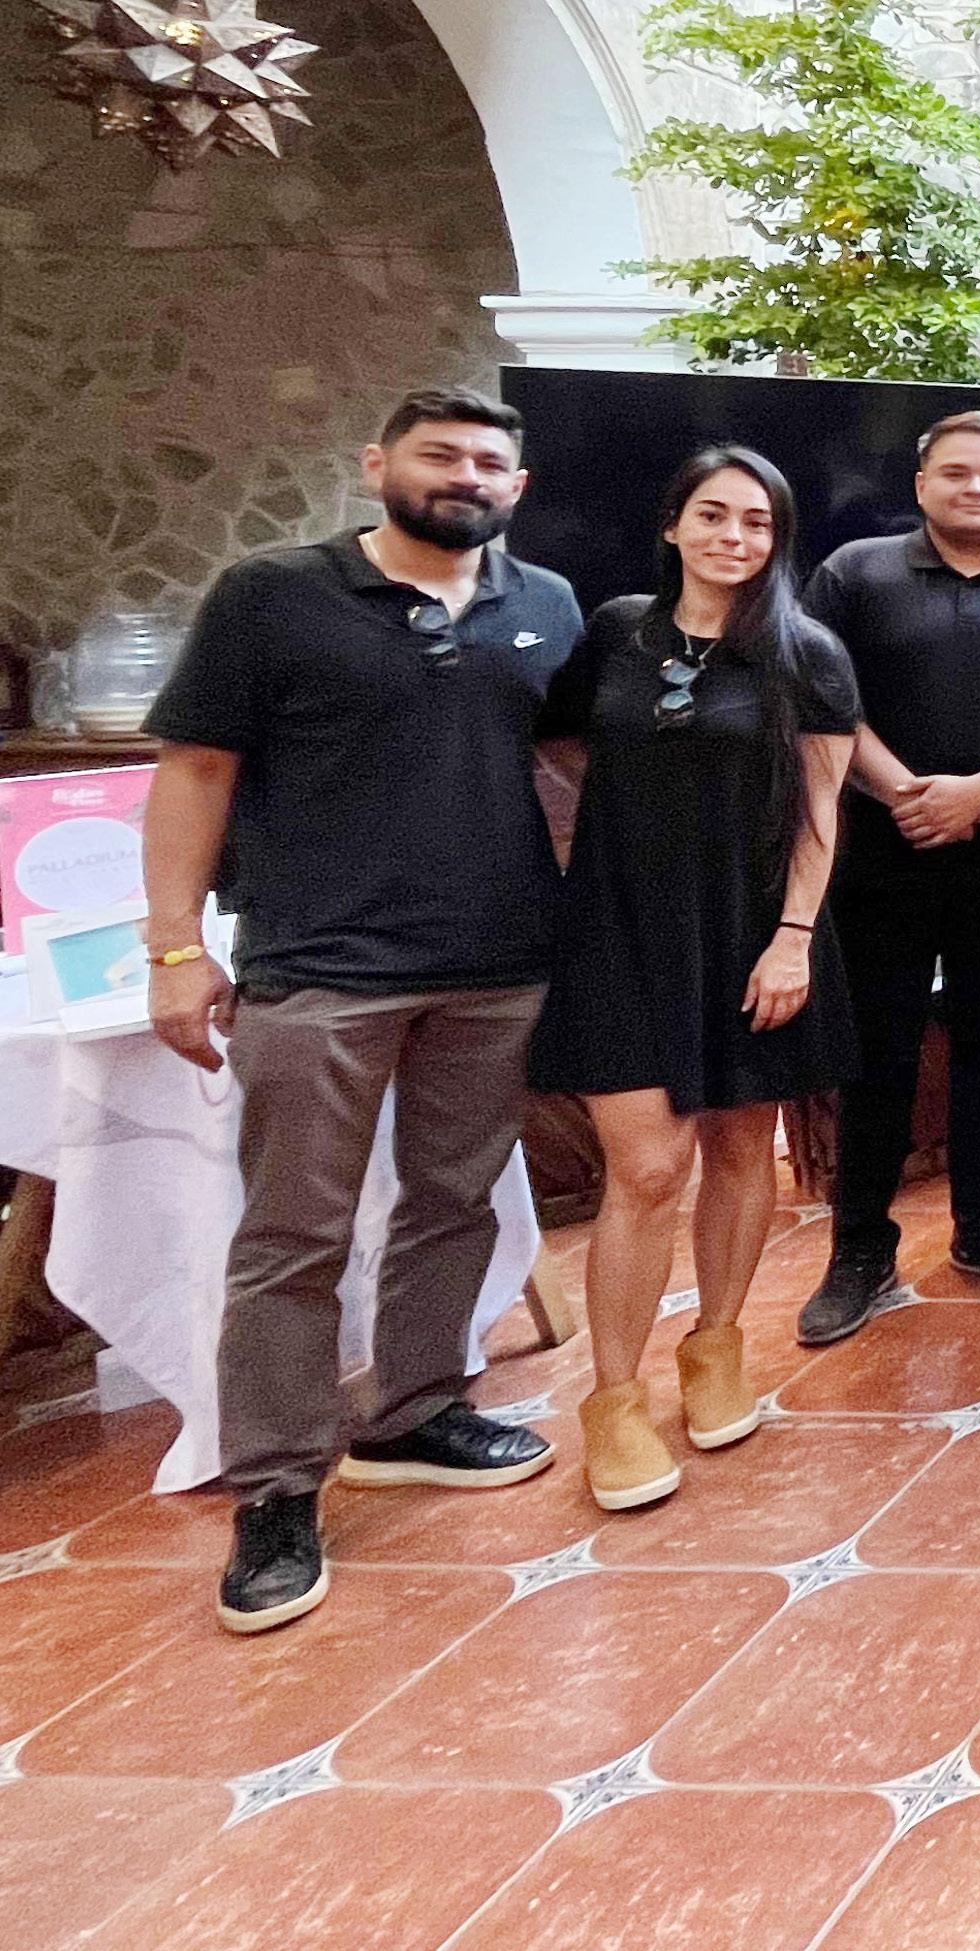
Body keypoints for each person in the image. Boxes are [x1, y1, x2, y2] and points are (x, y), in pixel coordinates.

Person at [142, 385, 581, 1633]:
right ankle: (278, 1489)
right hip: (318, 969)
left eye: (488, 462)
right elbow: (196, 768)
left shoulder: (545, 605)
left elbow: (563, 769)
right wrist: (174, 947)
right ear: (378, 463)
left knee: (455, 1200)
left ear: (516, 488)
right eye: (440, 455)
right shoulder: (271, 596)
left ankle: (415, 1411)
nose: (465, 476)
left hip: (497, 963)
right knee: (293, 1233)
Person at [531, 447, 861, 1511]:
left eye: (757, 521)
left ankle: (716, 1346)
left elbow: (820, 811)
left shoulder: (806, 652)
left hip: (754, 930)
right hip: (620, 926)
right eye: (713, 515)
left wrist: (793, 937)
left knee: (740, 1146)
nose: (735, 536)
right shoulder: (614, 631)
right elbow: (568, 744)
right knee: (645, 1166)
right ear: (673, 526)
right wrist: (638, 820)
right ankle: (613, 1401)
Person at [795, 411, 980, 1345]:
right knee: (877, 1051)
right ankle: (859, 1247)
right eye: (958, 472)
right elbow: (822, 701)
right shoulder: (855, 575)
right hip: (878, 854)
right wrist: (902, 792)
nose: (977, 488)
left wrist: (978, 793)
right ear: (922, 483)